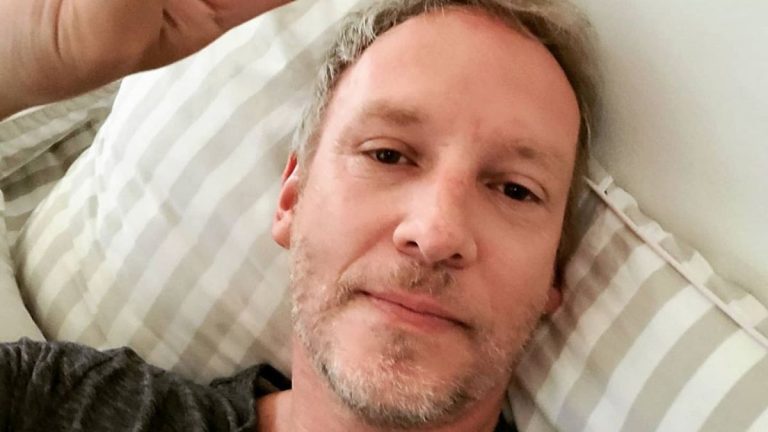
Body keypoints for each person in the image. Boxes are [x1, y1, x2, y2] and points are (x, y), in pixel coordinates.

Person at [0, 0, 599, 431]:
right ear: (291, 199)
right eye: (387, 155)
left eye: (515, 190)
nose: (436, 232)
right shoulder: (62, 402)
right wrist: (22, 58)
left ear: (555, 274)